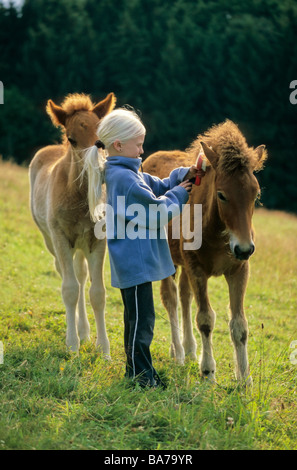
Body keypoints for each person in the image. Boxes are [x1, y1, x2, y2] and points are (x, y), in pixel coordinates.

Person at [83, 108, 203, 388]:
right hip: (133, 263)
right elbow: (156, 211)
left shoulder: (127, 172)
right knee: (141, 322)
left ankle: (140, 371)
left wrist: (184, 174)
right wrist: (181, 193)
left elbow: (157, 185)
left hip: (133, 261)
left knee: (138, 319)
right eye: (138, 144)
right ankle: (140, 376)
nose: (143, 149)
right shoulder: (124, 179)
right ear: (118, 145)